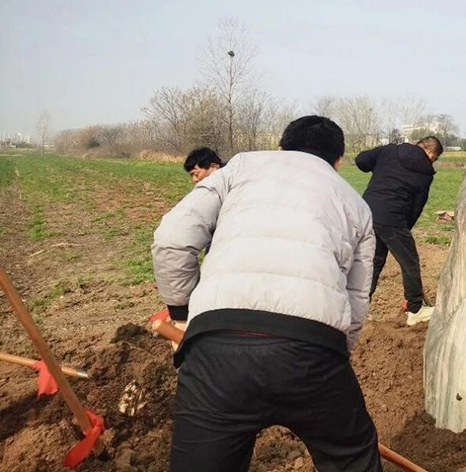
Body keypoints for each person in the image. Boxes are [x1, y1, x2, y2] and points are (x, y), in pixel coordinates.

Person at [152, 116, 381, 472]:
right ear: (338, 162)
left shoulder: (241, 167)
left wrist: (182, 317)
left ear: (280, 147)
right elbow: (356, 299)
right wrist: (335, 356)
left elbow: (172, 239)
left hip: (217, 347)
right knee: (352, 456)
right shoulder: (355, 204)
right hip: (313, 347)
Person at [356, 136, 442, 326]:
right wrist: (401, 229)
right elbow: (415, 208)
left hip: (366, 211)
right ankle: (415, 309)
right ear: (430, 153)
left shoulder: (389, 151)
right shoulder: (425, 172)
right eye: (434, 159)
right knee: (409, 261)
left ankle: (359, 311)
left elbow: (361, 160)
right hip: (392, 217)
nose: (432, 163)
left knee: (374, 262)